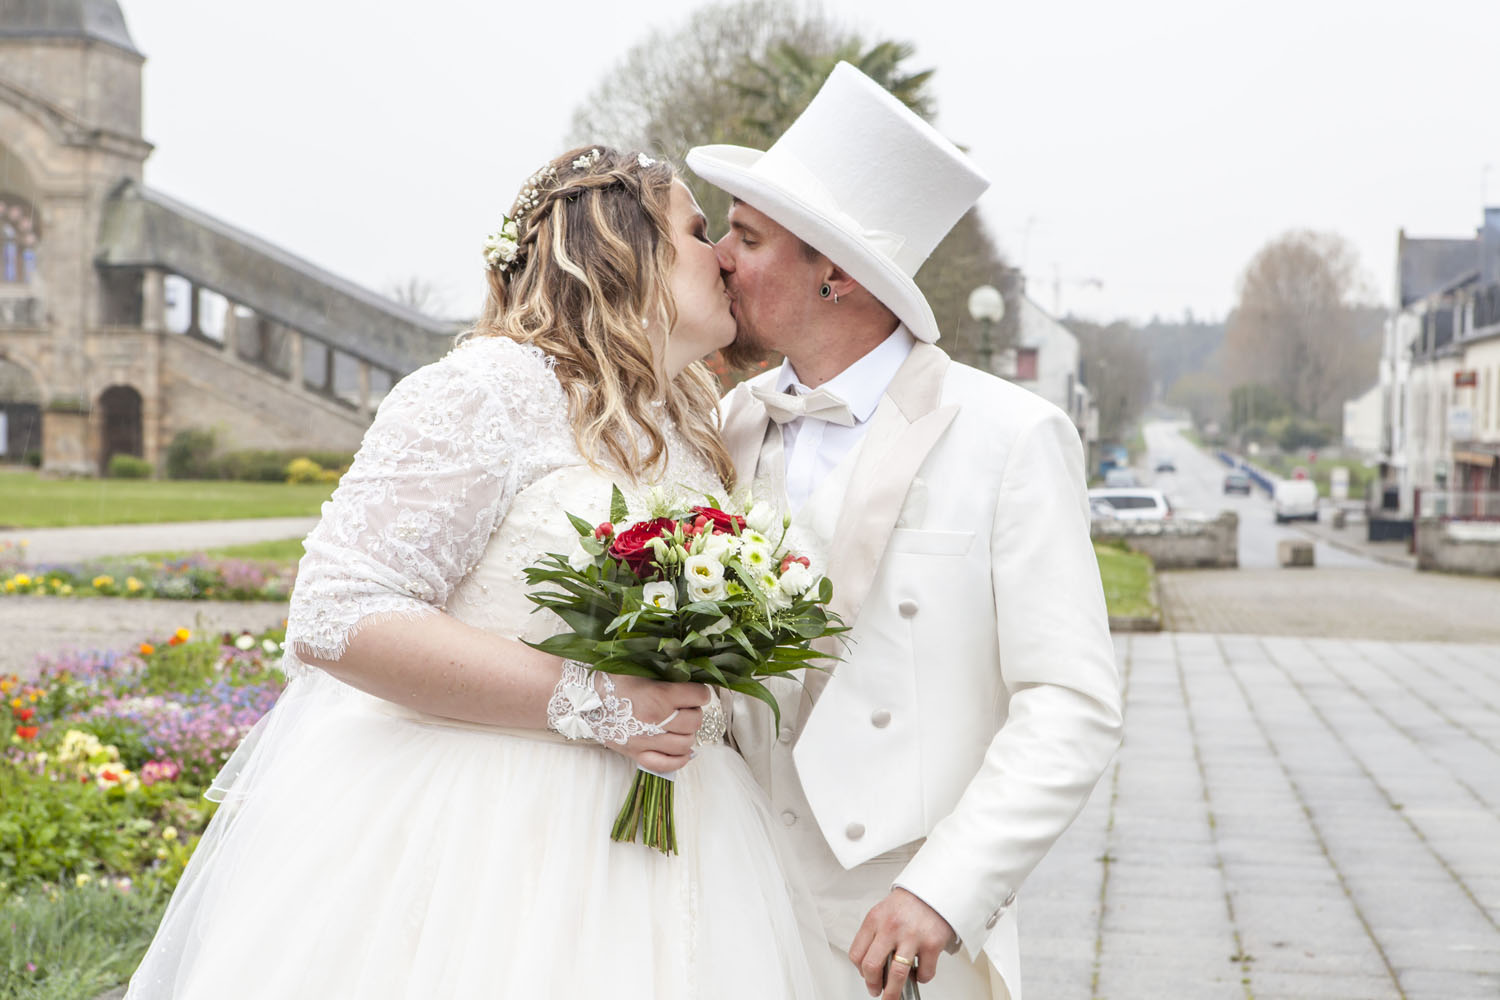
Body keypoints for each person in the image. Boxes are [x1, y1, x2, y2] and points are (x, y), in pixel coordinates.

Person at [125, 146, 837, 999]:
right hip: (488, 842)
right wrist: (599, 701)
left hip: (693, 843)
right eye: (697, 229)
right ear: (625, 249)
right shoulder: (487, 389)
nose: (722, 256)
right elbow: (336, 612)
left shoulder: (691, 424)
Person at [687, 64, 1124, 1000]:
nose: (720, 257)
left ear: (837, 272)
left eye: (748, 237)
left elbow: (1071, 703)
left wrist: (944, 890)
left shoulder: (1012, 436)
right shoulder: (724, 425)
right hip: (728, 902)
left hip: (897, 935)